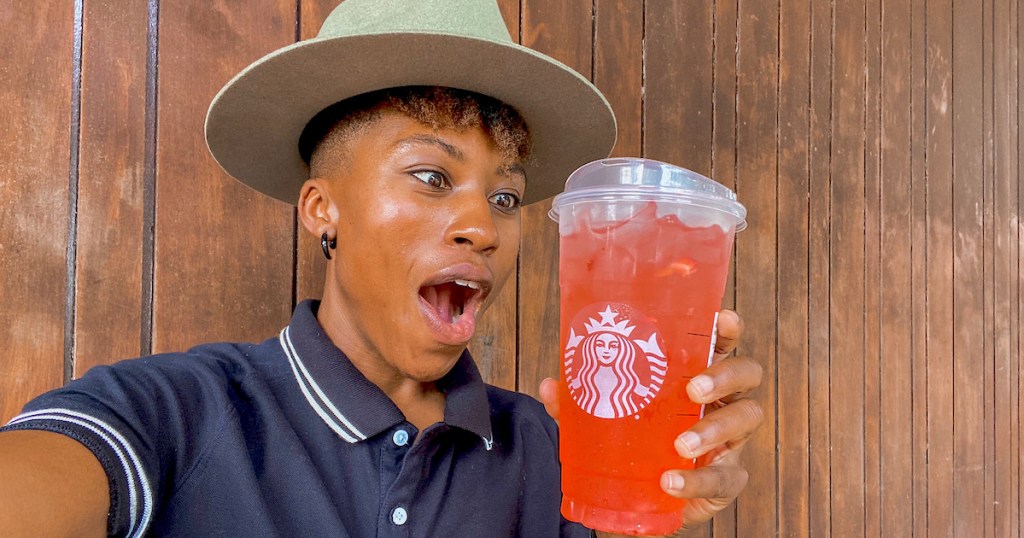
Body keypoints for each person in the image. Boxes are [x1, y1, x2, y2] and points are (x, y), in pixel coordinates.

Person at [0, 1, 764, 536]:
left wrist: (649, 512)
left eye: (506, 196)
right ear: (320, 209)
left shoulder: (549, 448)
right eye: (432, 176)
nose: (483, 227)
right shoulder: (170, 413)